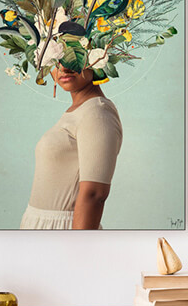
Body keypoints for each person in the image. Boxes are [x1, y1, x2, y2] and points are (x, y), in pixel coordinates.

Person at [19, 63, 123, 230]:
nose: (64, 69)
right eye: (54, 61)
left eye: (73, 55)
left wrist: (77, 246)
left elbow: (95, 195)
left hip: (64, 231)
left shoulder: (97, 113)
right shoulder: (80, 110)